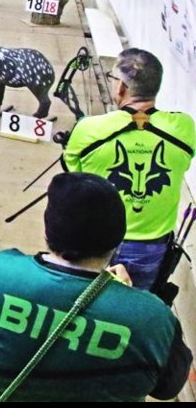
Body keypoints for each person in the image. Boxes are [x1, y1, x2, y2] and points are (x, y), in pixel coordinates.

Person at [0, 172, 192, 402]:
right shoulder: (152, 319)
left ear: (48, 230)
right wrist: (127, 299)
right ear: (118, 241)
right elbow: (168, 388)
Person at [62, 48, 195, 291]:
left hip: (96, 240)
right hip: (150, 247)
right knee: (132, 311)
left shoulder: (88, 129)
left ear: (121, 88)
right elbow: (184, 161)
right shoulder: (184, 128)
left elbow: (75, 174)